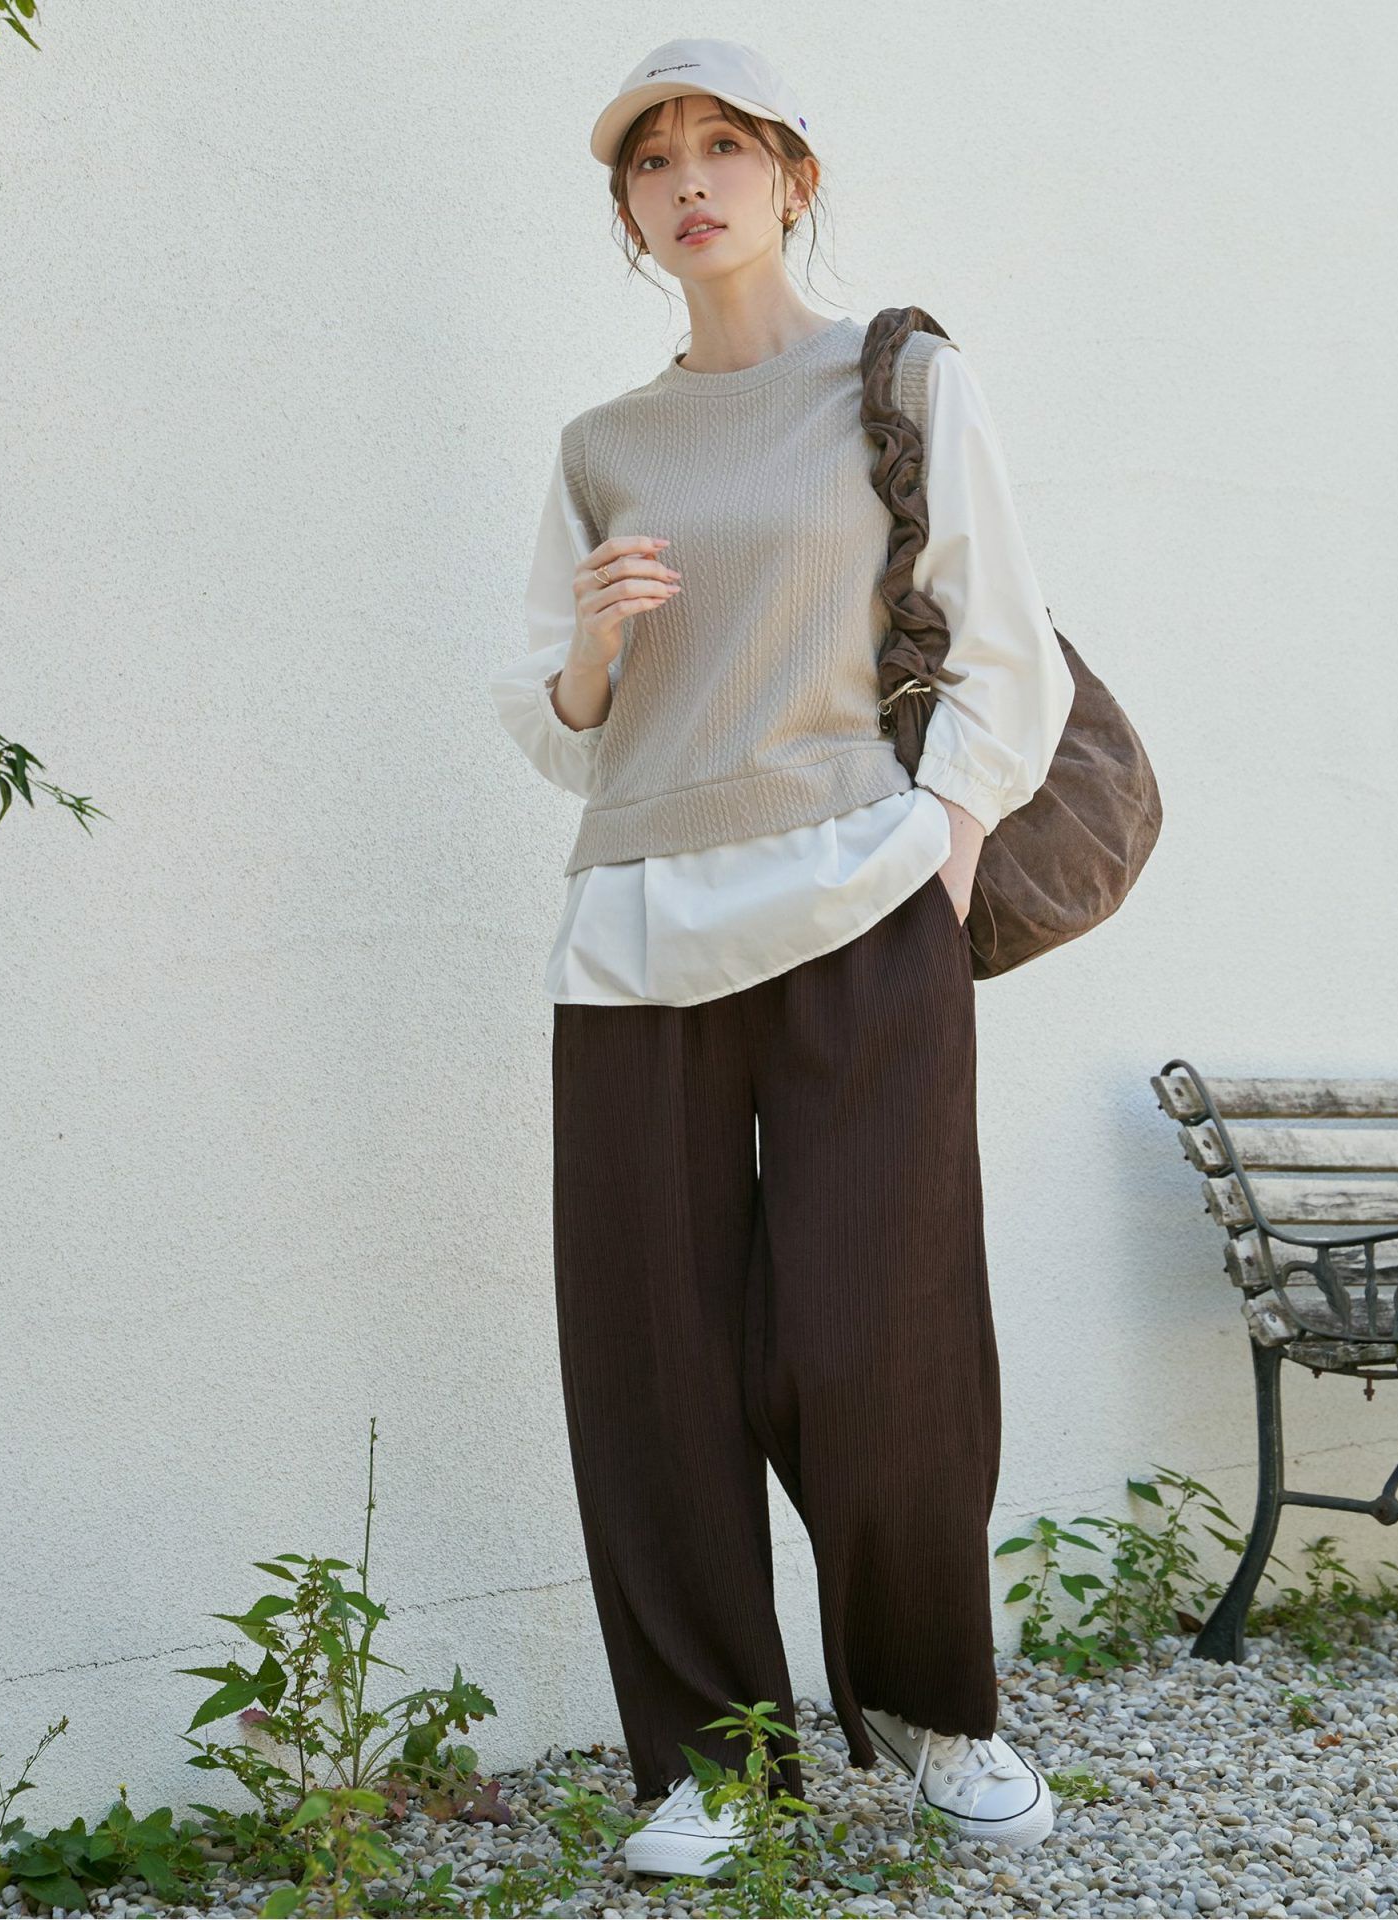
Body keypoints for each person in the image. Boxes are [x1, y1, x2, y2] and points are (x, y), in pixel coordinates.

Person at [489, 36, 1075, 1884]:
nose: (690, 180)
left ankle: (938, 1713)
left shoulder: (900, 379)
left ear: (793, 177)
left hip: (859, 905)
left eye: (724, 145)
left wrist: (941, 851)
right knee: (649, 1360)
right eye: (652, 159)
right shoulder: (603, 446)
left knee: (878, 1333)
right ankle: (716, 1764)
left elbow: (1003, 646)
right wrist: (593, 647)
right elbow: (558, 726)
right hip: (635, 932)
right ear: (627, 209)